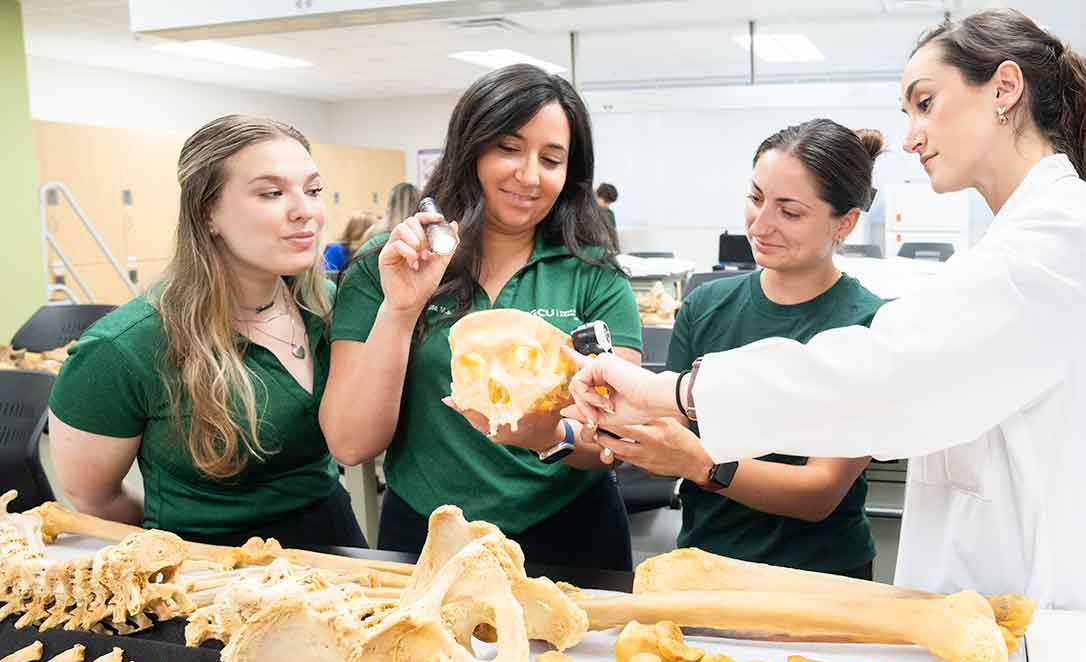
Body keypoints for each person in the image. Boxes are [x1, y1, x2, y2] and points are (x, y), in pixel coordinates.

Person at [566, 8, 1086, 616]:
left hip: (1063, 602)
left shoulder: (1063, 234)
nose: (912, 136)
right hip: (1017, 589)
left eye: (926, 103)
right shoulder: (1039, 231)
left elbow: (891, 373)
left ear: (1004, 89)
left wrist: (669, 393)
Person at [322, 64, 642, 570]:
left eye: (552, 158)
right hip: (429, 534)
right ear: (470, 148)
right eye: (509, 148)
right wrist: (401, 310)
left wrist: (549, 437)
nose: (530, 175)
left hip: (571, 533)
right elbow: (350, 441)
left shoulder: (592, 273)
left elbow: (617, 435)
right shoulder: (393, 263)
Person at [48, 115, 366, 549]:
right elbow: (93, 496)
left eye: (312, 190)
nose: (305, 211)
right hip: (213, 575)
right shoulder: (124, 349)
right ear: (207, 211)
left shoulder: (325, 305)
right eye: (272, 193)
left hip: (337, 549)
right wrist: (187, 547)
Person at [593, 120, 886, 579]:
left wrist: (699, 463)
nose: (761, 224)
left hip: (818, 578)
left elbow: (819, 493)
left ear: (844, 223)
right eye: (755, 198)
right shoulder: (706, 305)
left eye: (790, 212)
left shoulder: (868, 323)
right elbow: (666, 429)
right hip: (705, 567)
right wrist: (587, 423)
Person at [595, 182, 619, 250]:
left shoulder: (609, 214)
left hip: (605, 250)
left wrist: (617, 251)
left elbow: (613, 236)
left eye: (609, 203)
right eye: (606, 202)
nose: (607, 205)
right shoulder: (584, 210)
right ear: (596, 194)